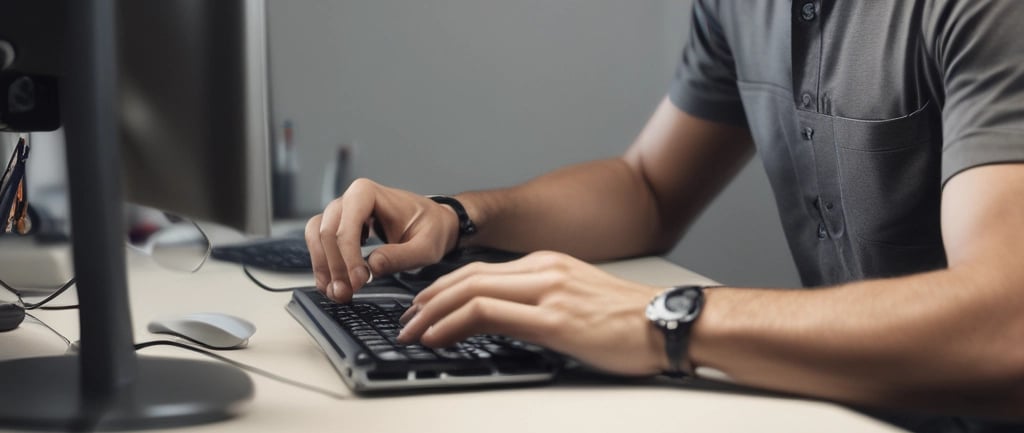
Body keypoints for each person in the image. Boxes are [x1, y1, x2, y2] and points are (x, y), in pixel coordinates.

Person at [305, 0, 1024, 428]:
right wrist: (459, 216)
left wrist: (665, 320)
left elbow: (1008, 325)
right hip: (844, 409)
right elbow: (647, 187)